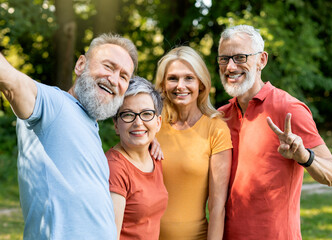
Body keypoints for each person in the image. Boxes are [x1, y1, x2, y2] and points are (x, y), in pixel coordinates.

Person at [0, 33, 138, 239]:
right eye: (108, 67)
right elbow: (10, 80)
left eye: (124, 76)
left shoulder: (91, 128)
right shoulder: (53, 104)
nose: (114, 79)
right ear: (80, 65)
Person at [217, 24, 332, 240]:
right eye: (224, 58)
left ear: (262, 60)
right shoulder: (221, 117)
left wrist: (305, 157)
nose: (230, 66)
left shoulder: (289, 109)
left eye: (240, 57)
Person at [155, 46, 233, 240]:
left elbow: (217, 207)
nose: (180, 85)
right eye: (173, 78)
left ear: (201, 84)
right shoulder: (151, 125)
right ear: (163, 85)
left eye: (189, 78)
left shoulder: (216, 129)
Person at [106, 76, 168, 240]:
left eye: (146, 114)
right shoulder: (115, 168)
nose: (138, 122)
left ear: (158, 122)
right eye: (127, 115)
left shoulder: (154, 155)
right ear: (116, 124)